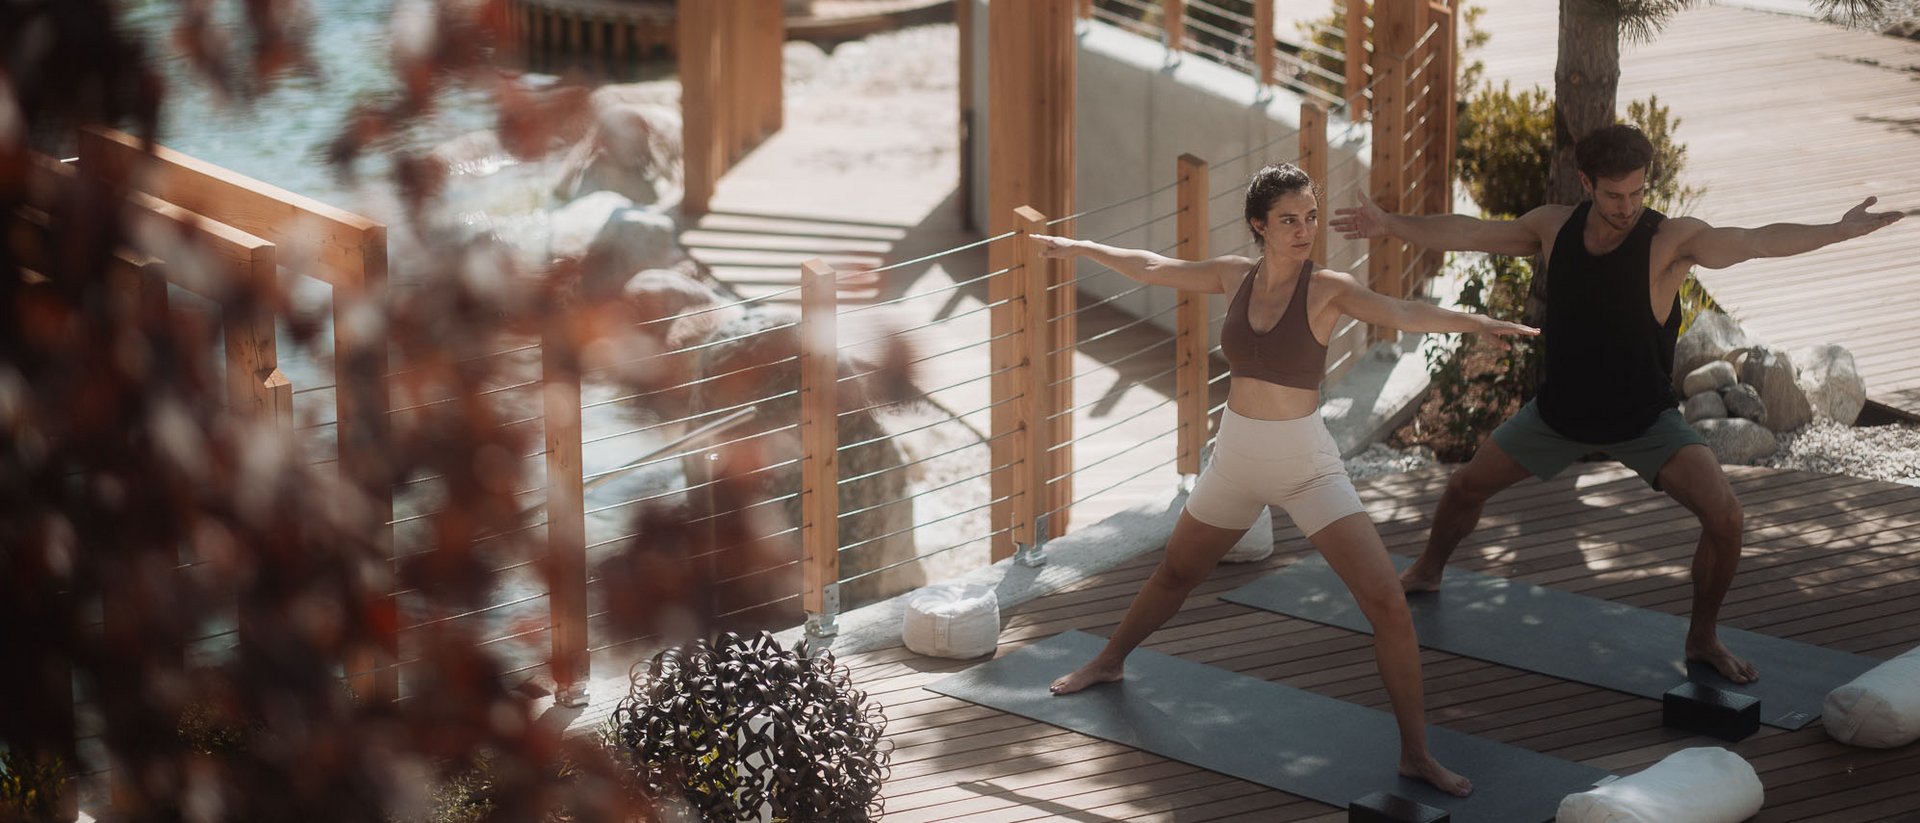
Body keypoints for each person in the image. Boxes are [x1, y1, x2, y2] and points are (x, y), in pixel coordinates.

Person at [1330, 124, 1905, 685]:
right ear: (1586, 182)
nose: (1627, 206)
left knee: (1726, 518)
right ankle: (1429, 570)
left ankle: (1702, 637)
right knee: (1462, 490)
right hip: (1559, 416)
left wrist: (1834, 231)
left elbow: (1754, 241)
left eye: (1637, 192)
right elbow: (1473, 232)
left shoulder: (1670, 242)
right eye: (1613, 195)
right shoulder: (1554, 228)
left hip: (1644, 421)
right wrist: (1388, 224)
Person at [1033, 163, 1537, 797]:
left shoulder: (1329, 288)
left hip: (1307, 466)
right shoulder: (1231, 277)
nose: (1305, 231)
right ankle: (1108, 661)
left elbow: (1403, 310)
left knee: (1386, 605)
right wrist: (1079, 248)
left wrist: (1476, 323)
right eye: (1289, 221)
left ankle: (1416, 754)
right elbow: (1154, 267)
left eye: (1311, 218)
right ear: (1259, 226)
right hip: (1236, 457)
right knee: (1176, 573)